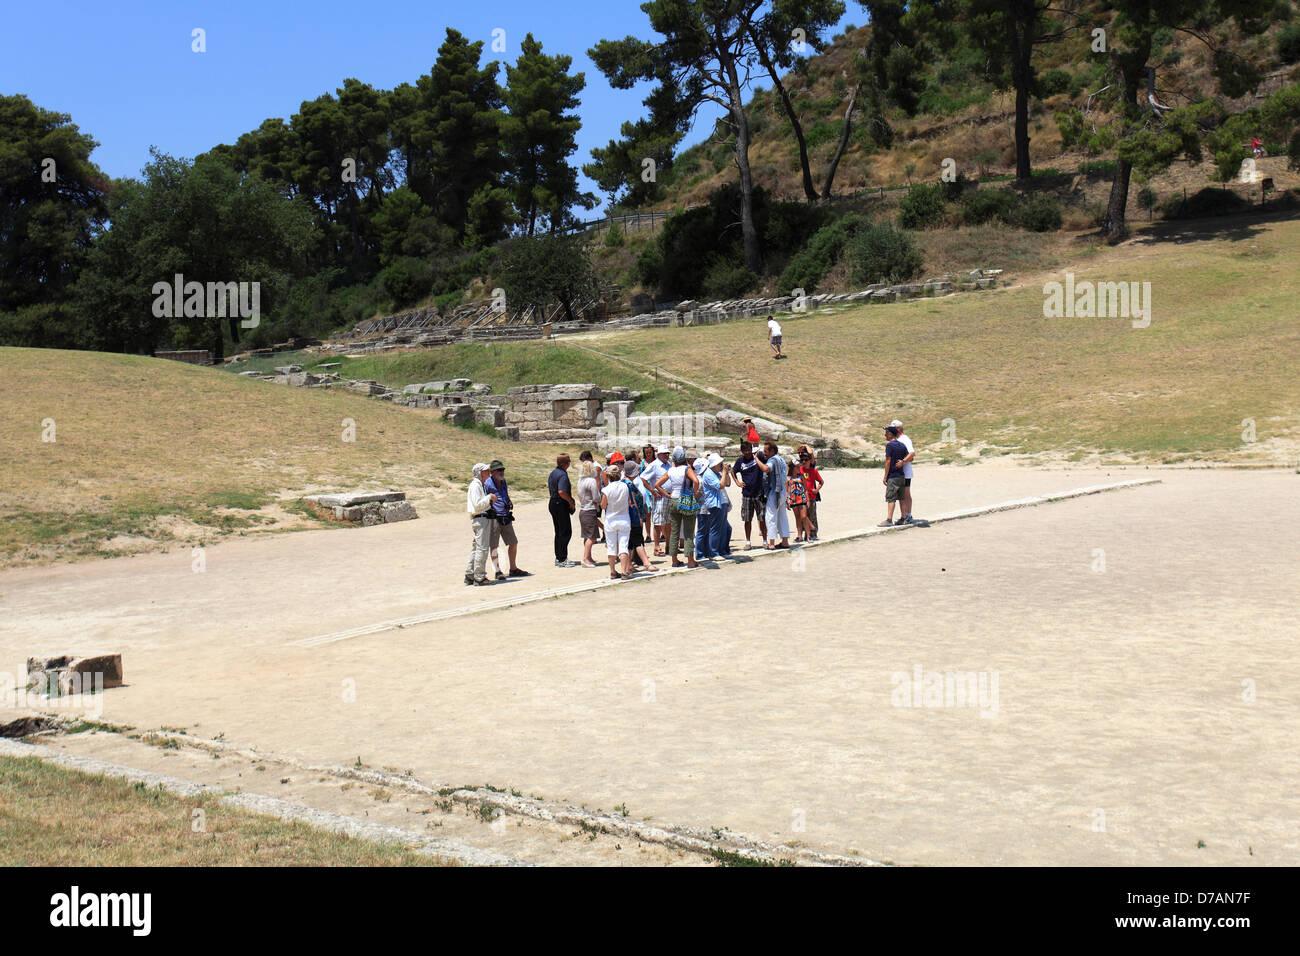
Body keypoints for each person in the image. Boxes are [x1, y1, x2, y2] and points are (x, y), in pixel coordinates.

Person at [654, 447, 701, 568]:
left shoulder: (671, 470)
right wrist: (695, 494)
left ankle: (674, 560)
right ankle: (690, 560)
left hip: (673, 499)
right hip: (685, 499)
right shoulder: (686, 469)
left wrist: (665, 494)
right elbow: (696, 481)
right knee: (688, 532)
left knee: (674, 531)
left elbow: (657, 484)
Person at [483, 460, 529, 580]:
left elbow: (505, 494)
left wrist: (509, 502)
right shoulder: (487, 483)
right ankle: (497, 571)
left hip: (505, 515)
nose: (502, 472)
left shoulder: (503, 482)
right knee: (494, 546)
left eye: (502, 470)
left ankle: (513, 568)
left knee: (513, 542)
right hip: (494, 518)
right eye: (499, 470)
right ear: (492, 472)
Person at [622, 458, 657, 573]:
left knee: (630, 543)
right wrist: (638, 516)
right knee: (637, 540)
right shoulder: (629, 485)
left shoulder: (624, 482)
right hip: (633, 517)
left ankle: (629, 566)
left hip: (628, 517)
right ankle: (647, 563)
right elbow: (632, 502)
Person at [600, 463, 634, 580]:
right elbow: (629, 501)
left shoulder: (606, 489)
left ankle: (613, 571)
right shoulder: (625, 486)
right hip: (624, 518)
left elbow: (603, 506)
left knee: (611, 547)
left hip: (611, 520)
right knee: (623, 546)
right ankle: (625, 571)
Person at [465, 463, 494, 586]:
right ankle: (479, 576)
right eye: (486, 470)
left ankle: (470, 573)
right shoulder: (476, 486)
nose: (489, 472)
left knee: (476, 548)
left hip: (480, 519)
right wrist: (489, 498)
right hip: (480, 518)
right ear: (480, 472)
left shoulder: (479, 485)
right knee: (482, 548)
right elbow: (477, 505)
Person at [733, 441, 767, 548]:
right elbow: (733, 471)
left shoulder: (758, 457)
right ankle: (748, 542)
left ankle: (765, 541)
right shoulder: (740, 461)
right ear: (742, 451)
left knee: (762, 518)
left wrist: (759, 453)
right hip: (747, 494)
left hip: (759, 493)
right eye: (745, 451)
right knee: (747, 519)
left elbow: (767, 457)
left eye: (748, 450)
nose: (747, 452)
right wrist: (737, 482)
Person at [756, 441, 790, 548]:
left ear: (772, 451)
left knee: (771, 516)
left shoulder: (773, 460)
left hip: (774, 492)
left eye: (766, 451)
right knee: (782, 517)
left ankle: (771, 543)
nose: (764, 454)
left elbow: (766, 469)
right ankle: (785, 541)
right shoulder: (781, 460)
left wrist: (756, 459)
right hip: (783, 491)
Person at [548, 454, 578, 567]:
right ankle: (562, 559)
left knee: (559, 532)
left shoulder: (553, 473)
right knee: (565, 532)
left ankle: (559, 557)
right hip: (560, 504)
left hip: (553, 503)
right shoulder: (563, 475)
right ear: (566, 463)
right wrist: (571, 502)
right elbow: (561, 492)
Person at [642, 445, 673, 556]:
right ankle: (657, 547)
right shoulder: (654, 465)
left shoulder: (669, 465)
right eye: (664, 453)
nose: (666, 455)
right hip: (660, 497)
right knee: (658, 523)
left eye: (668, 453)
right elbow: (643, 478)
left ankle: (669, 546)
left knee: (669, 523)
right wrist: (653, 491)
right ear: (659, 454)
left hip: (670, 496)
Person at [889, 418, 915, 525]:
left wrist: (902, 461)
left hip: (906, 472)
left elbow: (912, 454)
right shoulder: (898, 440)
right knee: (902, 495)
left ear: (898, 429)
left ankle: (907, 515)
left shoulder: (905, 439)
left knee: (905, 494)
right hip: (901, 472)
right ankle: (905, 515)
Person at [881, 426, 908, 527]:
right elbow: (908, 455)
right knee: (902, 497)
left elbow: (888, 461)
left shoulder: (890, 446)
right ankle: (904, 517)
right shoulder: (901, 445)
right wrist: (903, 462)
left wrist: (885, 476)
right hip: (901, 475)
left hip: (893, 475)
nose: (885, 435)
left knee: (891, 498)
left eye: (886, 433)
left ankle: (889, 520)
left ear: (890, 434)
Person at [577, 460, 602, 567]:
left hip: (583, 509)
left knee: (587, 536)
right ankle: (585, 558)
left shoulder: (580, 481)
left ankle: (589, 556)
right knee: (592, 537)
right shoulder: (591, 481)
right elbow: (596, 497)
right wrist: (600, 501)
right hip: (590, 509)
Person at [694, 456, 720, 560]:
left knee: (706, 530)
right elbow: (697, 495)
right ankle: (700, 553)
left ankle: (705, 552)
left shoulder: (703, 477)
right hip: (702, 508)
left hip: (706, 507)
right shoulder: (700, 479)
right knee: (701, 531)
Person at [797, 447, 824, 540]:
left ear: (809, 461)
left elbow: (821, 482)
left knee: (812, 516)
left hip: (811, 497)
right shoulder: (799, 470)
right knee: (802, 517)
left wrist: (817, 490)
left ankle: (813, 534)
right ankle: (805, 534)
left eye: (806, 460)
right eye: (802, 460)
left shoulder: (813, 470)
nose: (804, 462)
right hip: (801, 498)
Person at [786, 454, 812, 542]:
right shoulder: (788, 478)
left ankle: (808, 536)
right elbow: (787, 491)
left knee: (804, 517)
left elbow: (805, 489)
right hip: (793, 500)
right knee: (797, 518)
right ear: (793, 468)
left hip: (802, 498)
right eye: (797, 467)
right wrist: (787, 501)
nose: (799, 468)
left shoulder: (801, 476)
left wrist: (808, 500)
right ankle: (799, 535)